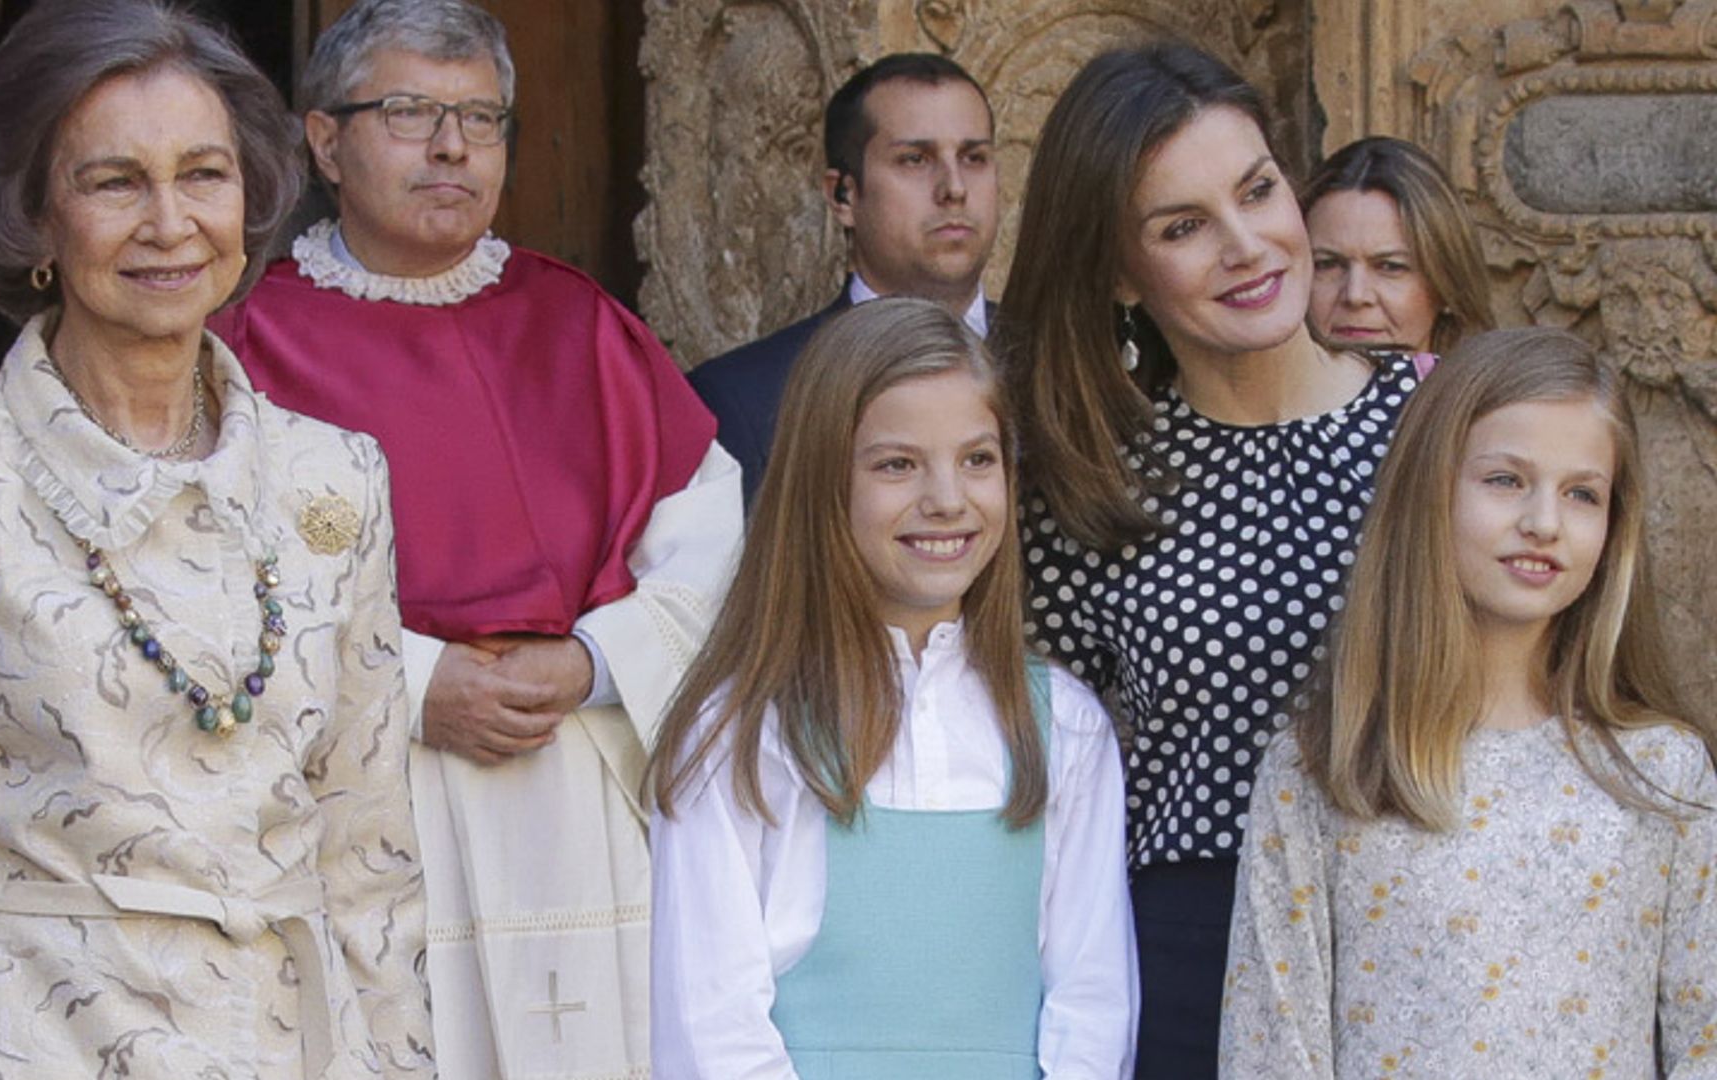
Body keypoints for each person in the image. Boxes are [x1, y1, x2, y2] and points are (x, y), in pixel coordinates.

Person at [0, 3, 435, 1076]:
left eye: (203, 175)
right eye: (112, 182)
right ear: (32, 218)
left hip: (287, 1044)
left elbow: (368, 857)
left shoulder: (339, 477)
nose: (170, 222)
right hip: (23, 1032)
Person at [210, 2, 740, 1075]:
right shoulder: (243, 343)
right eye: (411, 113)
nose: (453, 146)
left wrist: (595, 661)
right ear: (325, 141)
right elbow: (204, 583)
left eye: (482, 119)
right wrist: (411, 682)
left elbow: (709, 530)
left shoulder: (581, 322)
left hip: (579, 794)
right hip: (374, 793)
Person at [1004, 45, 1433, 1078]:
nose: (1248, 246)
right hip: (1194, 941)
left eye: (1258, 191)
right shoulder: (1086, 487)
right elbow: (1052, 772)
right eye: (1184, 227)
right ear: (1117, 270)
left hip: (1429, 924)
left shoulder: (1442, 434)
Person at [650, 298, 1138, 1078]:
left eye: (978, 459)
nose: (947, 497)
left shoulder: (1065, 731)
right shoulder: (743, 733)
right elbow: (710, 1028)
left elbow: (1092, 1006)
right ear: (821, 480)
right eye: (897, 464)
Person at [1220, 327, 1716, 1077]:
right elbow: (1271, 1046)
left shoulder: (1662, 774)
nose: (1544, 522)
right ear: (1430, 487)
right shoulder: (1326, 768)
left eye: (1582, 493)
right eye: (1506, 480)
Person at [687, 52, 1000, 505]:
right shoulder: (744, 401)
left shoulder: (1066, 371)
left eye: (973, 157)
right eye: (915, 159)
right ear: (842, 195)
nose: (954, 187)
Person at [1302, 136, 1493, 355]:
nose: (1355, 295)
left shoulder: (1496, 388)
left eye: (1390, 266)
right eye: (1327, 264)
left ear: (1447, 285)